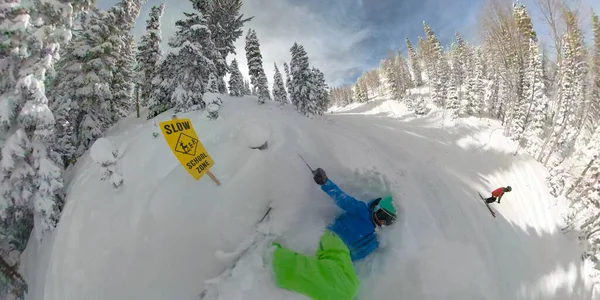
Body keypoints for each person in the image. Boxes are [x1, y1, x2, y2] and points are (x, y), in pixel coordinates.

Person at [271, 168, 397, 300]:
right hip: (335, 239)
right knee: (347, 288)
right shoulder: (362, 211)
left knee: (351, 290)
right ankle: (275, 258)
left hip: (342, 255)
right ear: (376, 208)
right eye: (382, 214)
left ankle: (294, 273)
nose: (382, 221)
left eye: (388, 220)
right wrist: (325, 182)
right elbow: (342, 198)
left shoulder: (377, 238)